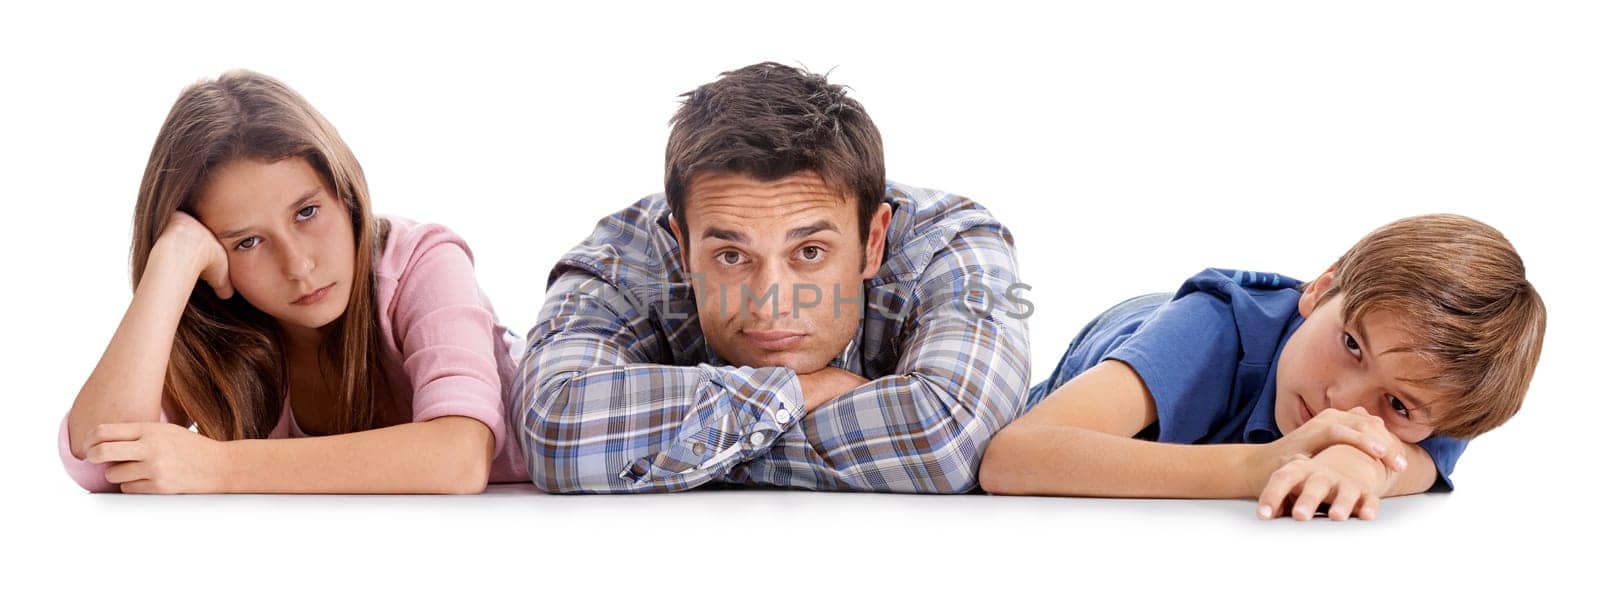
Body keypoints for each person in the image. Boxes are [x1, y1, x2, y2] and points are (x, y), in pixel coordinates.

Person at [515, 62, 1031, 493]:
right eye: (732, 257)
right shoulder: (623, 260)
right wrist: (809, 392)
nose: (770, 302)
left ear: (873, 241)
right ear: (682, 246)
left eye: (809, 251)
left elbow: (947, 440)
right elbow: (554, 428)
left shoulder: (950, 246)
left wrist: (671, 452)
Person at [59, 70, 526, 493]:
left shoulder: (422, 263)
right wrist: (171, 261)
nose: (298, 266)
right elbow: (104, 458)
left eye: (307, 212)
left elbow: (459, 457)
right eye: (247, 243)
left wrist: (219, 467)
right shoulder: (228, 328)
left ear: (345, 194)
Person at [979, 214, 1545, 520]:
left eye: (1395, 405)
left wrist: (1362, 464)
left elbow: (1412, 458)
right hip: (1144, 337)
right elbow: (1011, 459)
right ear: (1322, 288)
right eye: (1351, 344)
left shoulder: (1441, 383)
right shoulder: (1210, 332)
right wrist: (1258, 468)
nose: (1341, 401)